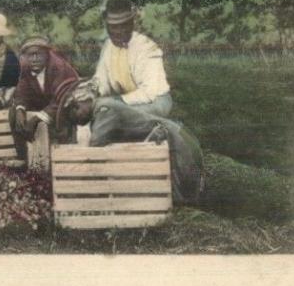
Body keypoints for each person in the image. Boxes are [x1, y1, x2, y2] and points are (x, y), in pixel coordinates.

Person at [55, 79, 205, 205]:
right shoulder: (101, 110)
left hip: (176, 141)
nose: (77, 121)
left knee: (181, 193)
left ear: (83, 103)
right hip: (171, 138)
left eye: (75, 113)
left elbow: (96, 147)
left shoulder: (105, 110)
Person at [91, 0, 172, 117]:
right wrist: (91, 94)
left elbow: (149, 93)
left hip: (153, 102)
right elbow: (102, 80)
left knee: (116, 116)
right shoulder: (108, 46)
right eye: (113, 27)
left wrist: (113, 102)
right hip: (125, 101)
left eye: (124, 25)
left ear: (132, 24)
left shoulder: (147, 48)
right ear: (107, 27)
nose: (119, 32)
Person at [9, 36, 80, 160]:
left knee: (62, 132)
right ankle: (23, 160)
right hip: (45, 104)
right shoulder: (24, 67)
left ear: (47, 54)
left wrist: (37, 118)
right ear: (25, 57)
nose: (35, 59)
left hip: (68, 106)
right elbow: (21, 90)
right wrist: (20, 109)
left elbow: (62, 99)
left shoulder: (59, 67)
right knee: (14, 114)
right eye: (31, 55)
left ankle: (64, 161)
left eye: (39, 54)